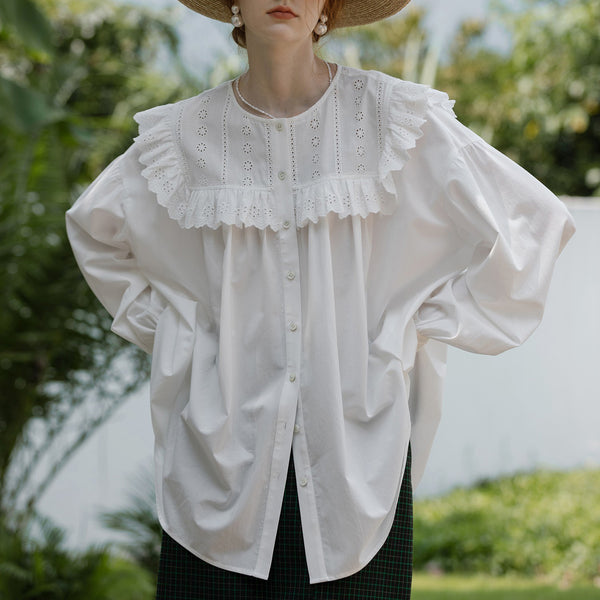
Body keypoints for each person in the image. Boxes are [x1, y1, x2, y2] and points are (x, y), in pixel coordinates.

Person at [65, 0, 576, 598]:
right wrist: (182, 333)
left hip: (356, 462)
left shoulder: (393, 118)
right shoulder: (182, 136)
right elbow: (96, 230)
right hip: (218, 468)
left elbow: (532, 223)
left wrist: (415, 323)